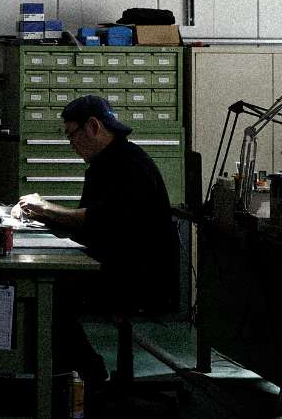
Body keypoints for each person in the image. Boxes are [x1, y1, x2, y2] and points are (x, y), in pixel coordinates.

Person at [16, 95, 179, 387]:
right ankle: (72, 375)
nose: (71, 144)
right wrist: (41, 216)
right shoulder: (107, 162)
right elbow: (89, 223)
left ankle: (86, 376)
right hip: (116, 263)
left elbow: (98, 220)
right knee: (48, 287)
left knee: (47, 294)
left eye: (71, 135)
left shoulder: (129, 166)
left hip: (136, 276)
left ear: (93, 126)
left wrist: (46, 208)